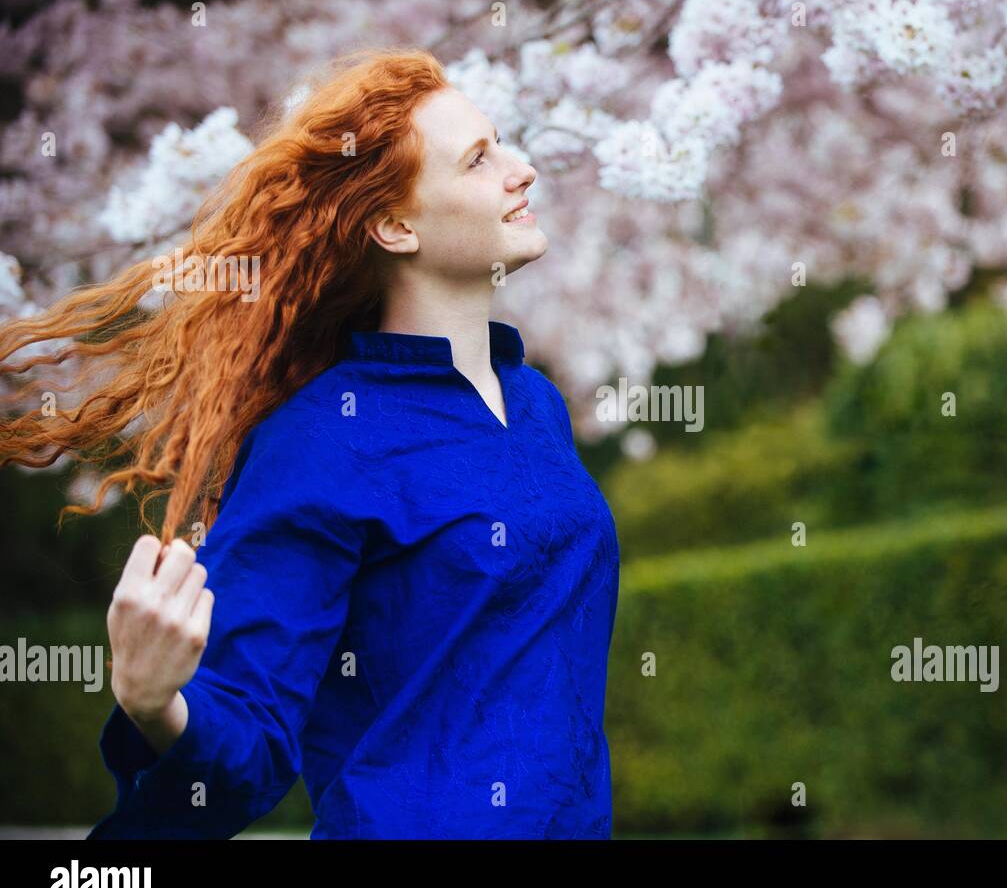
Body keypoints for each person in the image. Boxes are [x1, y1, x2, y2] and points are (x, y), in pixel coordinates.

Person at [0, 47, 620, 838]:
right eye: (478, 159)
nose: (522, 168)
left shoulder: (536, 404)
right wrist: (158, 702)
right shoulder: (322, 440)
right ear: (395, 226)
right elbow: (249, 730)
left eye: (502, 142)